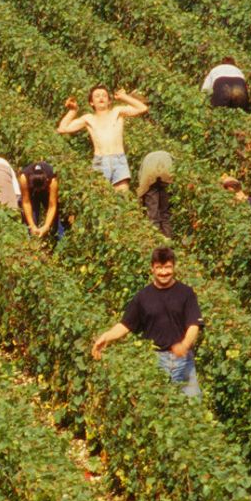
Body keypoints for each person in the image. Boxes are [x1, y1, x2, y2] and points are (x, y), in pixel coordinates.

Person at [91, 247, 202, 397]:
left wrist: (184, 344)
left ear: (174, 266)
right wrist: (106, 337)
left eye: (168, 267)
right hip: (156, 360)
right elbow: (125, 325)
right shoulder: (142, 297)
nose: (164, 272)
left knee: (192, 408)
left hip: (184, 361)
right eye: (159, 268)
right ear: (152, 268)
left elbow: (193, 325)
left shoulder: (186, 293)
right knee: (158, 408)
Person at [56, 85, 148, 191]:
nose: (101, 98)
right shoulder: (88, 118)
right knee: (102, 196)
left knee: (123, 198)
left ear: (109, 101)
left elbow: (142, 108)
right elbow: (62, 128)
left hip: (119, 160)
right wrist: (73, 111)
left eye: (104, 95)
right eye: (97, 96)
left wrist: (123, 97)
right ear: (91, 102)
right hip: (100, 161)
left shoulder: (117, 112)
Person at [18, 161, 62, 240]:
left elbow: (52, 205)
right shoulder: (24, 177)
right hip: (32, 194)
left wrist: (47, 226)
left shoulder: (52, 178)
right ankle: (30, 242)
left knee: (56, 220)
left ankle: (59, 242)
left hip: (47, 193)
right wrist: (32, 226)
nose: (38, 191)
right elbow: (26, 202)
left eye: (40, 189)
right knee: (29, 223)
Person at [136, 151, 175, 237]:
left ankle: (156, 243)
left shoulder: (148, 157)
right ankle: (168, 244)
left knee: (152, 216)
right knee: (165, 215)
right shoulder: (168, 156)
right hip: (166, 167)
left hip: (149, 169)